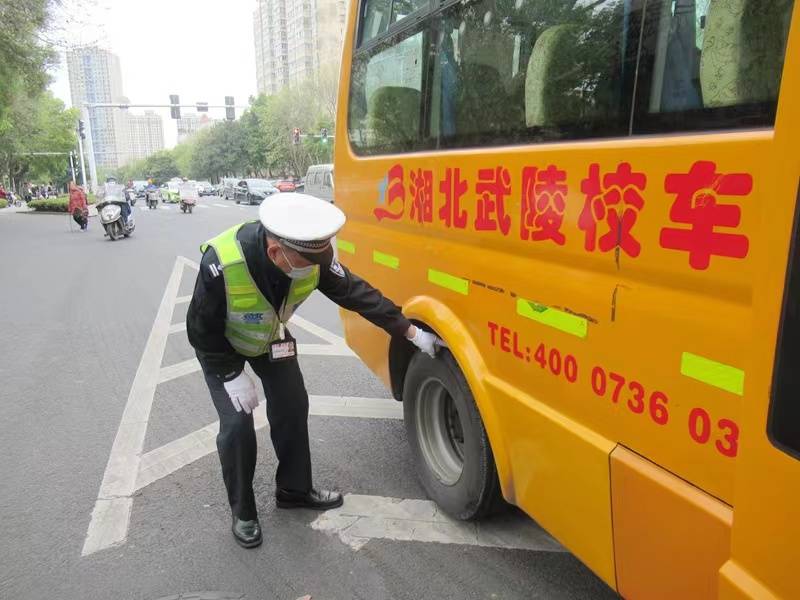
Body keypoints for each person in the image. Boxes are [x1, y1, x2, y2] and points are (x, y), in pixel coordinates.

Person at [187, 193, 442, 548]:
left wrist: (410, 332)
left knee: (293, 404)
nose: (316, 267)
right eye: (307, 262)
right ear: (277, 252)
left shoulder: (310, 258)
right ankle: (243, 512)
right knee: (236, 425)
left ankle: (293, 489)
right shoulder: (222, 264)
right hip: (222, 347)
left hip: (271, 338)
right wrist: (229, 375)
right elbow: (199, 328)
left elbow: (356, 293)